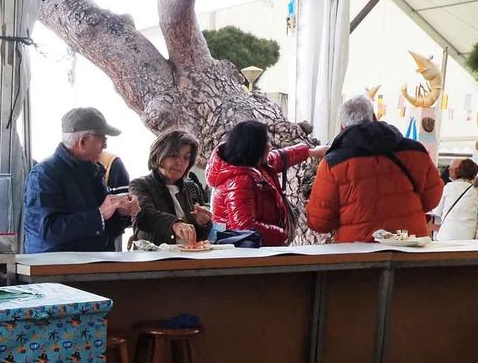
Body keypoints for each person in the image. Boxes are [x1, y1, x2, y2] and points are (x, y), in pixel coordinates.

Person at [304, 95, 438, 243]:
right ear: (374, 117)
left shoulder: (333, 163)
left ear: (342, 126)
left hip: (358, 252)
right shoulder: (416, 151)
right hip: (409, 244)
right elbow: (432, 200)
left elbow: (320, 222)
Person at [21, 107, 138, 253]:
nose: (105, 145)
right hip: (53, 269)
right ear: (83, 141)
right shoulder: (44, 175)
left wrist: (121, 213)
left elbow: (105, 229)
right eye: (102, 138)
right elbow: (48, 231)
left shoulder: (94, 171)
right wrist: (100, 215)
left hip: (92, 265)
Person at [207, 120, 324, 248]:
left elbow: (278, 158)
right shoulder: (239, 181)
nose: (270, 146)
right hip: (247, 256)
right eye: (266, 141)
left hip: (259, 248)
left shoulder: (251, 164)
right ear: (255, 147)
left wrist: (311, 152)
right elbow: (245, 228)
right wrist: (281, 234)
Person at [129, 129, 212, 246]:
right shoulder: (140, 184)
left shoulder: (192, 187)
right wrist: (175, 224)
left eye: (186, 157)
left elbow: (201, 237)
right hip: (154, 258)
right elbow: (144, 216)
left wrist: (203, 223)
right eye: (174, 155)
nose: (180, 163)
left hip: (189, 257)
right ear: (158, 155)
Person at [431, 158, 478, 241]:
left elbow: (437, 211)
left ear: (459, 171)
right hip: (467, 235)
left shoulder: (448, 187)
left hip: (447, 234)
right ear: (474, 174)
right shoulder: (475, 191)